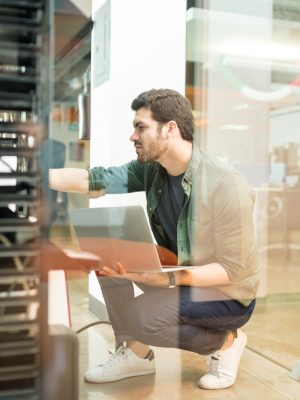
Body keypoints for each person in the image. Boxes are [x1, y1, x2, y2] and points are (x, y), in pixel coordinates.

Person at [49, 89, 259, 390]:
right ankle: (137, 354)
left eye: (140, 127)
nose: (132, 136)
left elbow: (232, 270)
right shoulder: (151, 170)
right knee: (107, 252)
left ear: (169, 128)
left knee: (143, 316)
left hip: (227, 294)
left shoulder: (226, 185)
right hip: (181, 274)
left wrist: (168, 280)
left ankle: (226, 341)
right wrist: (33, 177)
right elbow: (91, 180)